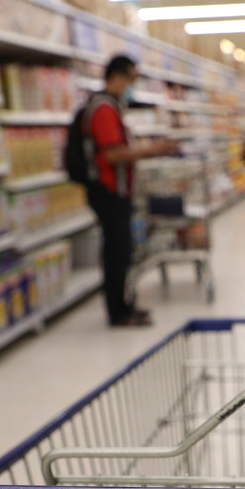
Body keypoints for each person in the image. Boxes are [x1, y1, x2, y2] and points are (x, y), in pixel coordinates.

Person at [82, 55, 178, 327]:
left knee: (122, 251)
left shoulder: (111, 106)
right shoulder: (103, 108)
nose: (131, 86)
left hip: (116, 191)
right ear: (117, 76)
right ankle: (118, 313)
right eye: (132, 80)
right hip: (108, 192)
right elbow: (112, 155)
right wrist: (151, 150)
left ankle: (124, 306)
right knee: (116, 252)